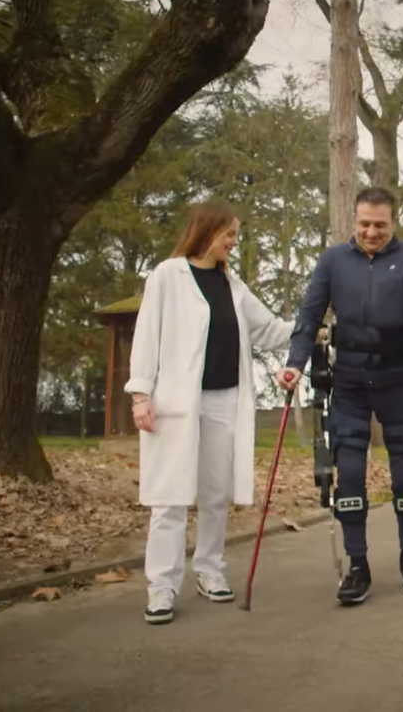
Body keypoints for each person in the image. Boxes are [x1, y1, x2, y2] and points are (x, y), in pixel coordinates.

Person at [126, 202, 294, 625]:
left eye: (235, 236)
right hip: (175, 404)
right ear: (208, 232)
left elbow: (270, 330)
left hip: (224, 399)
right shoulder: (168, 275)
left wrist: (314, 327)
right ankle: (161, 587)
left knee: (215, 493)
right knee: (170, 497)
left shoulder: (231, 284)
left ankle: (210, 570)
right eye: (230, 235)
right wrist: (140, 393)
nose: (233, 244)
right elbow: (146, 334)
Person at [276, 186, 403, 606]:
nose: (371, 232)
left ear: (393, 222)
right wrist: (295, 363)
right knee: (347, 473)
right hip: (348, 380)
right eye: (365, 223)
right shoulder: (333, 260)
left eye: (380, 225)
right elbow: (309, 315)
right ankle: (357, 565)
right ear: (354, 220)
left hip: (397, 377)